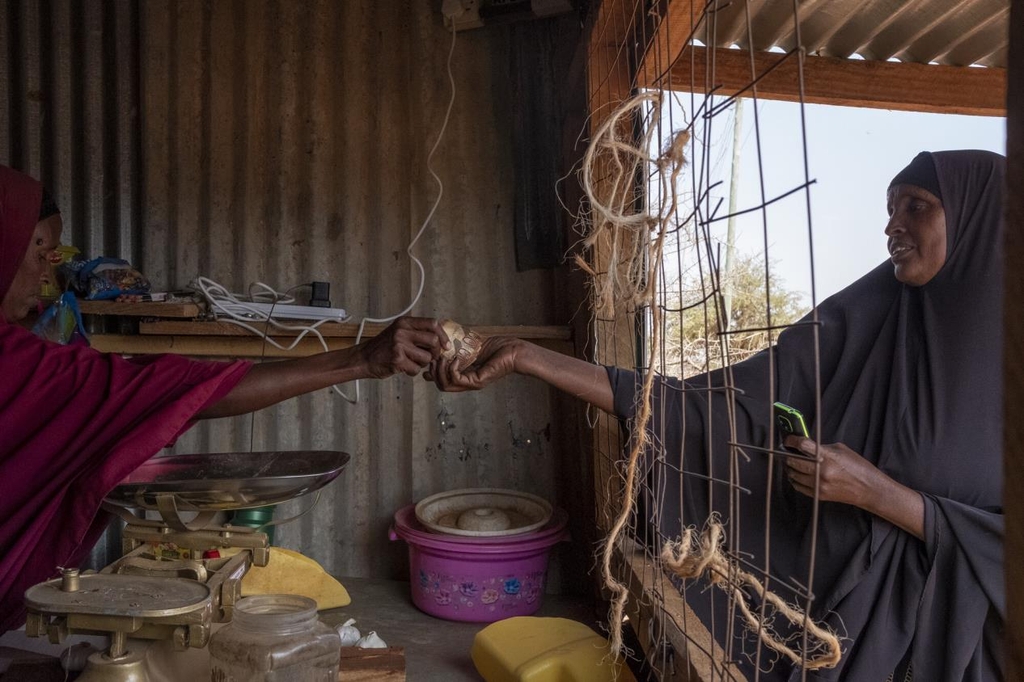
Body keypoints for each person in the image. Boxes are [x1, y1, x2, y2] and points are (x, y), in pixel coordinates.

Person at [431, 150, 1005, 681]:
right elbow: (721, 407)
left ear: (986, 219)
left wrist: (879, 494)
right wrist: (531, 358)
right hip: (844, 637)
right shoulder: (868, 320)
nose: (891, 226)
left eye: (917, 207)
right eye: (889, 208)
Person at [0, 164, 452, 631]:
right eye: (39, 254)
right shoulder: (18, 361)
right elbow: (165, 391)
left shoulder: (25, 353)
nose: (45, 280)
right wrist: (361, 360)